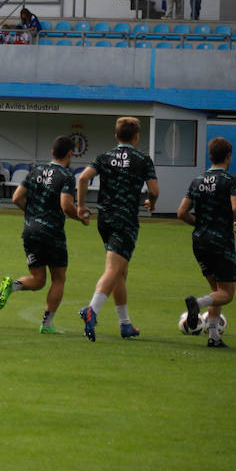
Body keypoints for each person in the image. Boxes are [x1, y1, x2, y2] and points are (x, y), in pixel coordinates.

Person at [75, 117, 159, 342]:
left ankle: (125, 324)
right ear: (136, 137)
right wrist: (152, 202)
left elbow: (83, 178)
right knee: (114, 268)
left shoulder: (105, 157)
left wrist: (81, 206)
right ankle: (92, 309)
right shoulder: (142, 159)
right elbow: (154, 189)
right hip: (126, 220)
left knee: (121, 271)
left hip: (105, 219)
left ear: (116, 136)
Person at [0, 136, 83, 334]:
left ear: (52, 153)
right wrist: (80, 217)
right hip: (52, 233)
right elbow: (66, 205)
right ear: (70, 154)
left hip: (30, 231)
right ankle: (47, 324)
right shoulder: (66, 176)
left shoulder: (35, 171)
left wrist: (33, 213)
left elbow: (17, 197)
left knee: (38, 279)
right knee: (58, 279)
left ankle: (12, 286)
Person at [178, 137, 236, 348]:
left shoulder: (197, 180)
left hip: (199, 241)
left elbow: (182, 212)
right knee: (226, 294)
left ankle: (214, 336)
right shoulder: (232, 181)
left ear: (210, 156)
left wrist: (201, 225)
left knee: (216, 289)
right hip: (221, 242)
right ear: (228, 156)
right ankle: (196, 304)